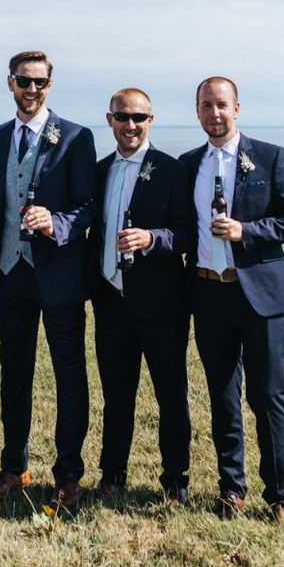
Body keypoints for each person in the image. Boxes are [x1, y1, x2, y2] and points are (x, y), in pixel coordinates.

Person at [178, 76, 284, 527]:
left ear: (237, 108)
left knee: (268, 395)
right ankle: (230, 489)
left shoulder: (270, 157)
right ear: (196, 112)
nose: (214, 113)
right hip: (207, 292)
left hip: (259, 296)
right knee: (222, 396)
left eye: (222, 105)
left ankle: (280, 497)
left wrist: (245, 232)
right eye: (206, 106)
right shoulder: (188, 164)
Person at [0, 50, 96, 511]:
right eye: (24, 82)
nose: (32, 90)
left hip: (59, 275)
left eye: (40, 83)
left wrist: (58, 223)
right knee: (14, 373)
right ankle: (14, 467)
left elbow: (87, 205)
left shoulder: (75, 137)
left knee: (69, 375)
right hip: (11, 272)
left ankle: (68, 475)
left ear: (50, 85)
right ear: (10, 83)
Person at [88, 88, 194, 504]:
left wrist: (151, 238)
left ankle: (175, 481)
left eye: (139, 117)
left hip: (162, 304)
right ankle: (112, 475)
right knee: (116, 395)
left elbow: (189, 233)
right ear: (110, 119)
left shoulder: (172, 170)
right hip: (111, 300)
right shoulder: (98, 172)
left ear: (151, 120)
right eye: (122, 117)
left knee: (171, 394)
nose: (130, 125)